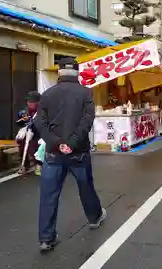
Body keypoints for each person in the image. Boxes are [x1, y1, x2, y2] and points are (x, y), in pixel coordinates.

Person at [34, 57, 106, 252]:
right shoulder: (85, 93)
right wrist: (71, 143)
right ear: (77, 72)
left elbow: (40, 122)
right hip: (78, 152)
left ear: (59, 73)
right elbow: (87, 120)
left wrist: (56, 143)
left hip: (53, 154)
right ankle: (94, 217)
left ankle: (46, 238)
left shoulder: (47, 95)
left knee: (49, 195)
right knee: (85, 187)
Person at [16, 91, 42, 175]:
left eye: (31, 101)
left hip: (40, 134)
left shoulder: (42, 111)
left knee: (33, 147)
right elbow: (19, 122)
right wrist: (21, 119)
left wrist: (35, 124)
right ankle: (24, 165)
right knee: (22, 145)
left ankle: (39, 164)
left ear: (37, 102)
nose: (29, 103)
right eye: (28, 101)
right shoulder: (26, 110)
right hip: (29, 133)